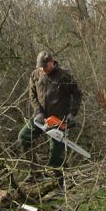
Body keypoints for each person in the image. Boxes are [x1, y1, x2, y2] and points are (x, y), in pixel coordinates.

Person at [18, 50, 82, 191]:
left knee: (55, 154)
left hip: (58, 119)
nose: (43, 70)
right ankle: (34, 171)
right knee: (23, 137)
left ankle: (59, 182)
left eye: (45, 67)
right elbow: (32, 93)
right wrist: (38, 111)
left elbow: (77, 94)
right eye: (41, 67)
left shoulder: (64, 75)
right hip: (41, 117)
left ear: (52, 62)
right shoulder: (36, 74)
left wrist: (72, 113)